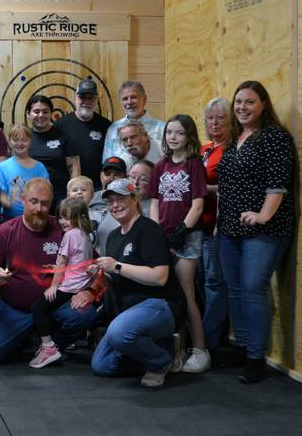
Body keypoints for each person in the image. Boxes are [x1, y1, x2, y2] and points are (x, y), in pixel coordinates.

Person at [216, 81, 295, 384]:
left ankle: (256, 358)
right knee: (235, 289)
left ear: (263, 104)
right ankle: (244, 346)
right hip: (229, 227)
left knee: (252, 287)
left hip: (265, 228)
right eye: (238, 102)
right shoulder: (235, 138)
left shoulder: (274, 137)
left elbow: (278, 183)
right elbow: (226, 184)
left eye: (250, 102)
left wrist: (263, 215)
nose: (242, 108)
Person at [0, 178, 98, 366]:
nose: (39, 208)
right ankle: (25, 338)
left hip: (55, 305)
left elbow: (97, 264)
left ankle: (50, 345)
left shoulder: (66, 229)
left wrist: (90, 291)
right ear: (23, 199)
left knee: (85, 314)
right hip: (17, 309)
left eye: (45, 203)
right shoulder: (5, 231)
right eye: (34, 202)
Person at [90, 178, 186, 388]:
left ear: (134, 199)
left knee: (119, 333)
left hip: (161, 303)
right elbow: (118, 276)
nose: (115, 205)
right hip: (130, 310)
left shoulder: (148, 229)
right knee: (102, 365)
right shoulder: (114, 236)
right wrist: (100, 273)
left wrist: (116, 266)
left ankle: (161, 362)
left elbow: (159, 277)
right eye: (111, 201)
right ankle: (161, 346)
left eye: (121, 198)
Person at [148, 114, 210, 373]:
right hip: (164, 236)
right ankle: (178, 348)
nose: (173, 137)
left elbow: (198, 204)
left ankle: (200, 349)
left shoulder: (194, 164)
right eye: (169, 132)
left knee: (186, 293)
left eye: (179, 133)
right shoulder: (161, 165)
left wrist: (182, 231)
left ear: (189, 136)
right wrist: (156, 232)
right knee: (168, 295)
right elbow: (154, 202)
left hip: (187, 237)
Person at [29, 198, 95, 368]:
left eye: (67, 217)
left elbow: (62, 263)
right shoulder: (84, 234)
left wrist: (54, 286)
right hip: (80, 285)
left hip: (69, 287)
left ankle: (48, 347)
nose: (62, 222)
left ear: (79, 217)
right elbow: (78, 262)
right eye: (61, 217)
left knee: (38, 308)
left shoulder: (70, 234)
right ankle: (52, 344)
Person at [199, 97, 232, 355]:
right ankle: (200, 336)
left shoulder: (231, 149)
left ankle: (211, 341)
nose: (214, 122)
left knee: (215, 283)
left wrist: (201, 189)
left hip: (217, 227)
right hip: (197, 225)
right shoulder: (205, 149)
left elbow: (232, 187)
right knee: (202, 282)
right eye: (211, 118)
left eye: (220, 117)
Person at [54, 77, 112, 189]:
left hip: (98, 187)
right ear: (76, 98)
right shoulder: (60, 125)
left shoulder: (106, 125)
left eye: (91, 98)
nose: (87, 102)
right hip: (69, 188)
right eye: (82, 98)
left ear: (96, 100)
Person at [26, 94, 80, 211]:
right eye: (36, 111)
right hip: (32, 197)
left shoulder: (62, 136)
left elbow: (74, 167)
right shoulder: (24, 138)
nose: (41, 115)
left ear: (51, 113)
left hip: (60, 195)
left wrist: (72, 194)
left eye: (45, 111)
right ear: (28, 114)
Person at [0, 124, 49, 219]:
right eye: (15, 140)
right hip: (10, 219)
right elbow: (1, 195)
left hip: (35, 217)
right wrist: (9, 203)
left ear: (30, 141)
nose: (20, 143)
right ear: (9, 141)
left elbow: (46, 194)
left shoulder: (40, 167)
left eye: (24, 140)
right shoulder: (2, 167)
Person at [102, 81, 165, 161]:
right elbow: (107, 162)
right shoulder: (113, 129)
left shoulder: (162, 128)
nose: (129, 102)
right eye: (125, 99)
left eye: (133, 97)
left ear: (144, 99)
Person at [89, 156, 128, 253]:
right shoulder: (89, 198)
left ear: (125, 177)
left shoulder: (129, 201)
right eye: (107, 174)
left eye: (117, 174)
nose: (111, 178)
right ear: (101, 176)